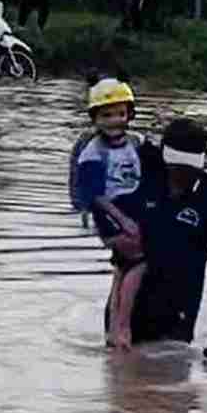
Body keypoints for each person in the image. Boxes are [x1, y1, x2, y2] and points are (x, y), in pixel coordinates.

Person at [106, 117, 207, 361]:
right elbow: (121, 267)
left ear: (203, 161)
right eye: (175, 170)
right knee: (123, 386)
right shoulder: (138, 185)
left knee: (173, 390)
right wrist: (118, 326)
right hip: (128, 311)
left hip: (179, 312)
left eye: (189, 171)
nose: (181, 177)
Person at [69, 78, 166, 351]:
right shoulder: (93, 152)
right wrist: (123, 222)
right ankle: (123, 327)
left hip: (131, 208)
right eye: (107, 115)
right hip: (109, 212)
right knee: (139, 261)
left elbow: (154, 169)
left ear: (130, 115)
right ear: (95, 118)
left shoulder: (136, 143)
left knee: (123, 267)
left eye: (121, 114)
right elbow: (94, 194)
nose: (115, 121)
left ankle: (114, 331)